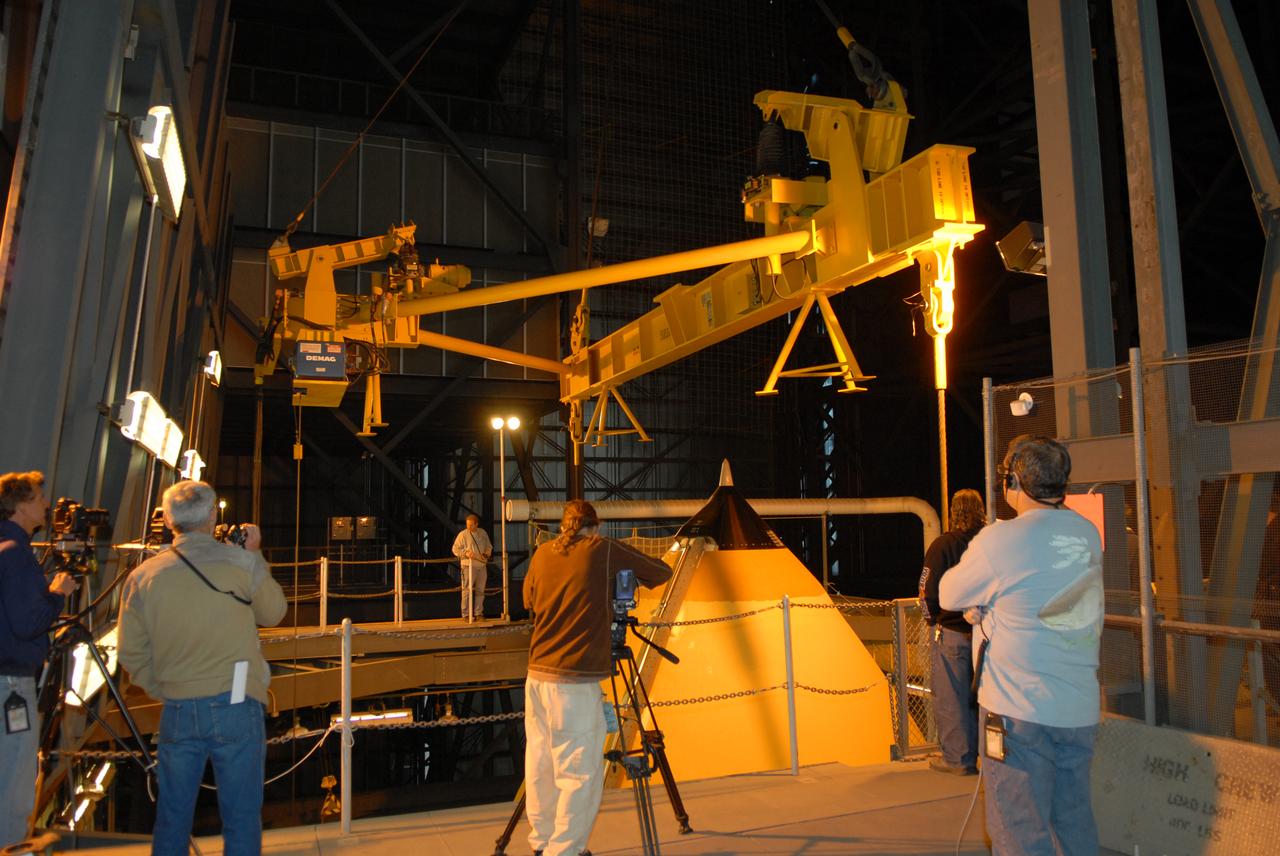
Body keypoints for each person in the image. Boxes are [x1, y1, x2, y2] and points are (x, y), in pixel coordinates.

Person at [940, 435, 1104, 856]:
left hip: (1018, 713)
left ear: (1012, 481)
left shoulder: (999, 540)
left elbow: (947, 594)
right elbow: (1041, 592)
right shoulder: (1086, 534)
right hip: (1078, 710)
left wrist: (984, 602)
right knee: (1073, 820)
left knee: (1019, 828)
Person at [118, 480, 286, 856]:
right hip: (238, 701)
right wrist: (256, 554)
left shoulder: (143, 577)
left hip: (178, 707)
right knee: (241, 818)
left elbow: (131, 654)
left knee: (172, 816)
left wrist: (165, 689)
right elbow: (274, 612)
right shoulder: (241, 562)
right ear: (213, 516)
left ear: (167, 520)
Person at [522, 500, 672, 856]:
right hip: (574, 680)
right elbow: (660, 572)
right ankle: (566, 851)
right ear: (596, 526)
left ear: (563, 525)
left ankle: (541, 844)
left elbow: (528, 598)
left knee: (541, 764)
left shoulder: (542, 553)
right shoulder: (603, 549)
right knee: (579, 772)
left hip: (537, 675)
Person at [0, 471, 78, 847]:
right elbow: (28, 622)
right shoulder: (15, 555)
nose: (47, 504)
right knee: (15, 779)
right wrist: (58, 593)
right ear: (20, 504)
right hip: (11, 683)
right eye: (39, 497)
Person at [919, 488, 986, 775]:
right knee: (989, 698)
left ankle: (959, 759)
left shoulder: (942, 546)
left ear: (953, 511)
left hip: (954, 634)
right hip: (989, 635)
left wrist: (931, 619)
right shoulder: (989, 543)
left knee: (952, 698)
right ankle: (992, 757)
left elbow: (925, 591)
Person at [451, 513, 493, 621]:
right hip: (468, 566)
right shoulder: (463, 535)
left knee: (480, 590)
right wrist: (465, 554)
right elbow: (455, 549)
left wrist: (487, 553)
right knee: (466, 590)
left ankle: (478, 613)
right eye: (467, 525)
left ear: (476, 524)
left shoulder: (483, 533)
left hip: (482, 565)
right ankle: (465, 614)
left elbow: (489, 546)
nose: (469, 527)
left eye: (471, 525)